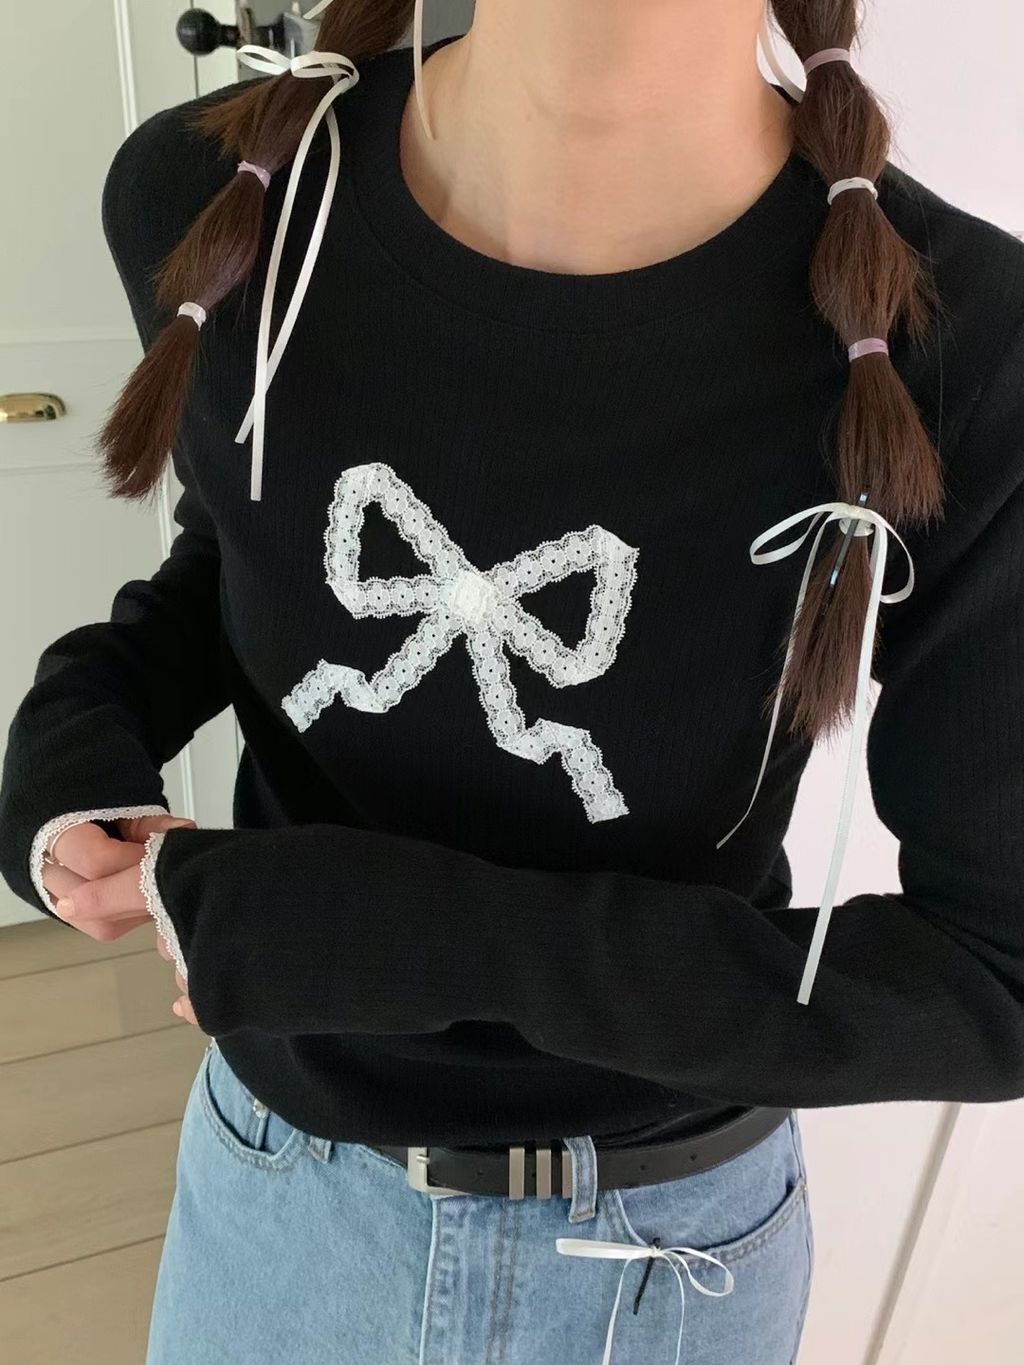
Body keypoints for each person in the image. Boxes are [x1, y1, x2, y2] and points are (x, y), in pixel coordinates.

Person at [2, 1, 1023, 1361]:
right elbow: (244, 548)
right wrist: (78, 724)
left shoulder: (966, 343)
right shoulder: (206, 195)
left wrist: (397, 934)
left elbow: (991, 979)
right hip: (273, 1195)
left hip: (662, 1265)